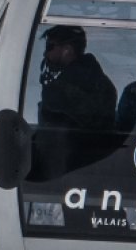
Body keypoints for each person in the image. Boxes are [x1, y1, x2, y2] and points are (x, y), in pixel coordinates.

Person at [31, 24, 117, 179]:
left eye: (50, 46)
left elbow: (52, 139)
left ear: (67, 50)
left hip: (66, 173)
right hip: (94, 169)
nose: (46, 53)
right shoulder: (102, 82)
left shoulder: (61, 89)